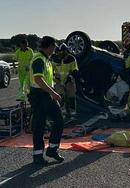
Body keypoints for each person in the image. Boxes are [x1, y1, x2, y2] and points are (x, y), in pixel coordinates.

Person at [28, 36, 64, 165]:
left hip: (47, 95)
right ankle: (37, 155)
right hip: (39, 95)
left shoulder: (46, 59)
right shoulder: (39, 59)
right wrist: (53, 93)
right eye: (54, 47)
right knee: (39, 126)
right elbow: (38, 79)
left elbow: (48, 79)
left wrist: (52, 93)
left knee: (59, 121)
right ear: (49, 46)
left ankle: (52, 149)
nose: (54, 50)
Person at [52, 43, 79, 118]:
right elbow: (50, 70)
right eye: (61, 52)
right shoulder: (55, 59)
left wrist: (70, 77)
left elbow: (75, 70)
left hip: (69, 81)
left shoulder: (71, 58)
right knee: (61, 96)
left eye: (65, 52)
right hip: (58, 81)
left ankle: (73, 113)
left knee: (71, 97)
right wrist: (55, 78)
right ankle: (62, 113)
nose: (63, 53)